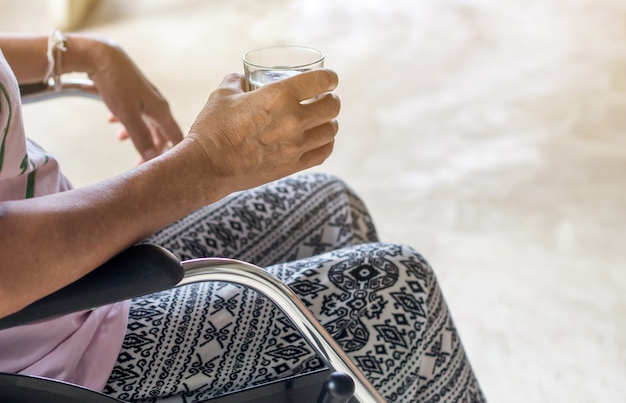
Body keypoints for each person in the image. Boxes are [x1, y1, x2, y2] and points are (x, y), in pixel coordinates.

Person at [0, 30, 486, 403]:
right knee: (398, 290)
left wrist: (81, 52)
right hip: (49, 357)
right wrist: (204, 165)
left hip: (61, 278)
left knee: (330, 208)